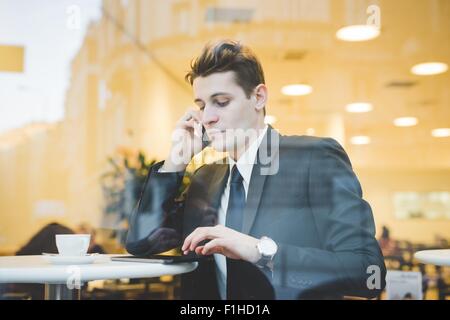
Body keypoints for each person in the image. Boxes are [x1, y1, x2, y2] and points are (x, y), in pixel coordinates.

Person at [126, 40, 386, 299]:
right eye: (202, 106)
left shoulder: (313, 159)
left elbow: (368, 273)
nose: (207, 118)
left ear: (259, 97)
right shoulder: (206, 178)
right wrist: (176, 160)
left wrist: (261, 251)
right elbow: (141, 242)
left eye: (222, 102)